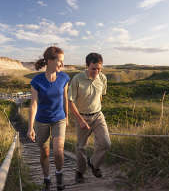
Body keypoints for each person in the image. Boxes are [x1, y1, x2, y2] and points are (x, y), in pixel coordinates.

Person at [27, 46, 70, 191]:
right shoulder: (36, 81)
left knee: (58, 151)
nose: (62, 65)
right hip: (41, 121)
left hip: (59, 119)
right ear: (50, 61)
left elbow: (65, 98)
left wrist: (67, 117)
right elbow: (33, 104)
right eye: (60, 61)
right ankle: (47, 179)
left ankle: (59, 176)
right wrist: (30, 127)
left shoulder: (64, 78)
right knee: (44, 153)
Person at [68, 52, 111, 183]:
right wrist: (80, 119)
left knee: (106, 143)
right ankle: (80, 172)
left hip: (98, 115)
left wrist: (95, 108)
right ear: (87, 66)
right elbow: (70, 101)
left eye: (99, 68)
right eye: (93, 68)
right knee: (81, 147)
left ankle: (93, 164)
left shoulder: (102, 78)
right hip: (82, 117)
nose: (97, 71)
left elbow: (101, 96)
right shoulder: (77, 79)